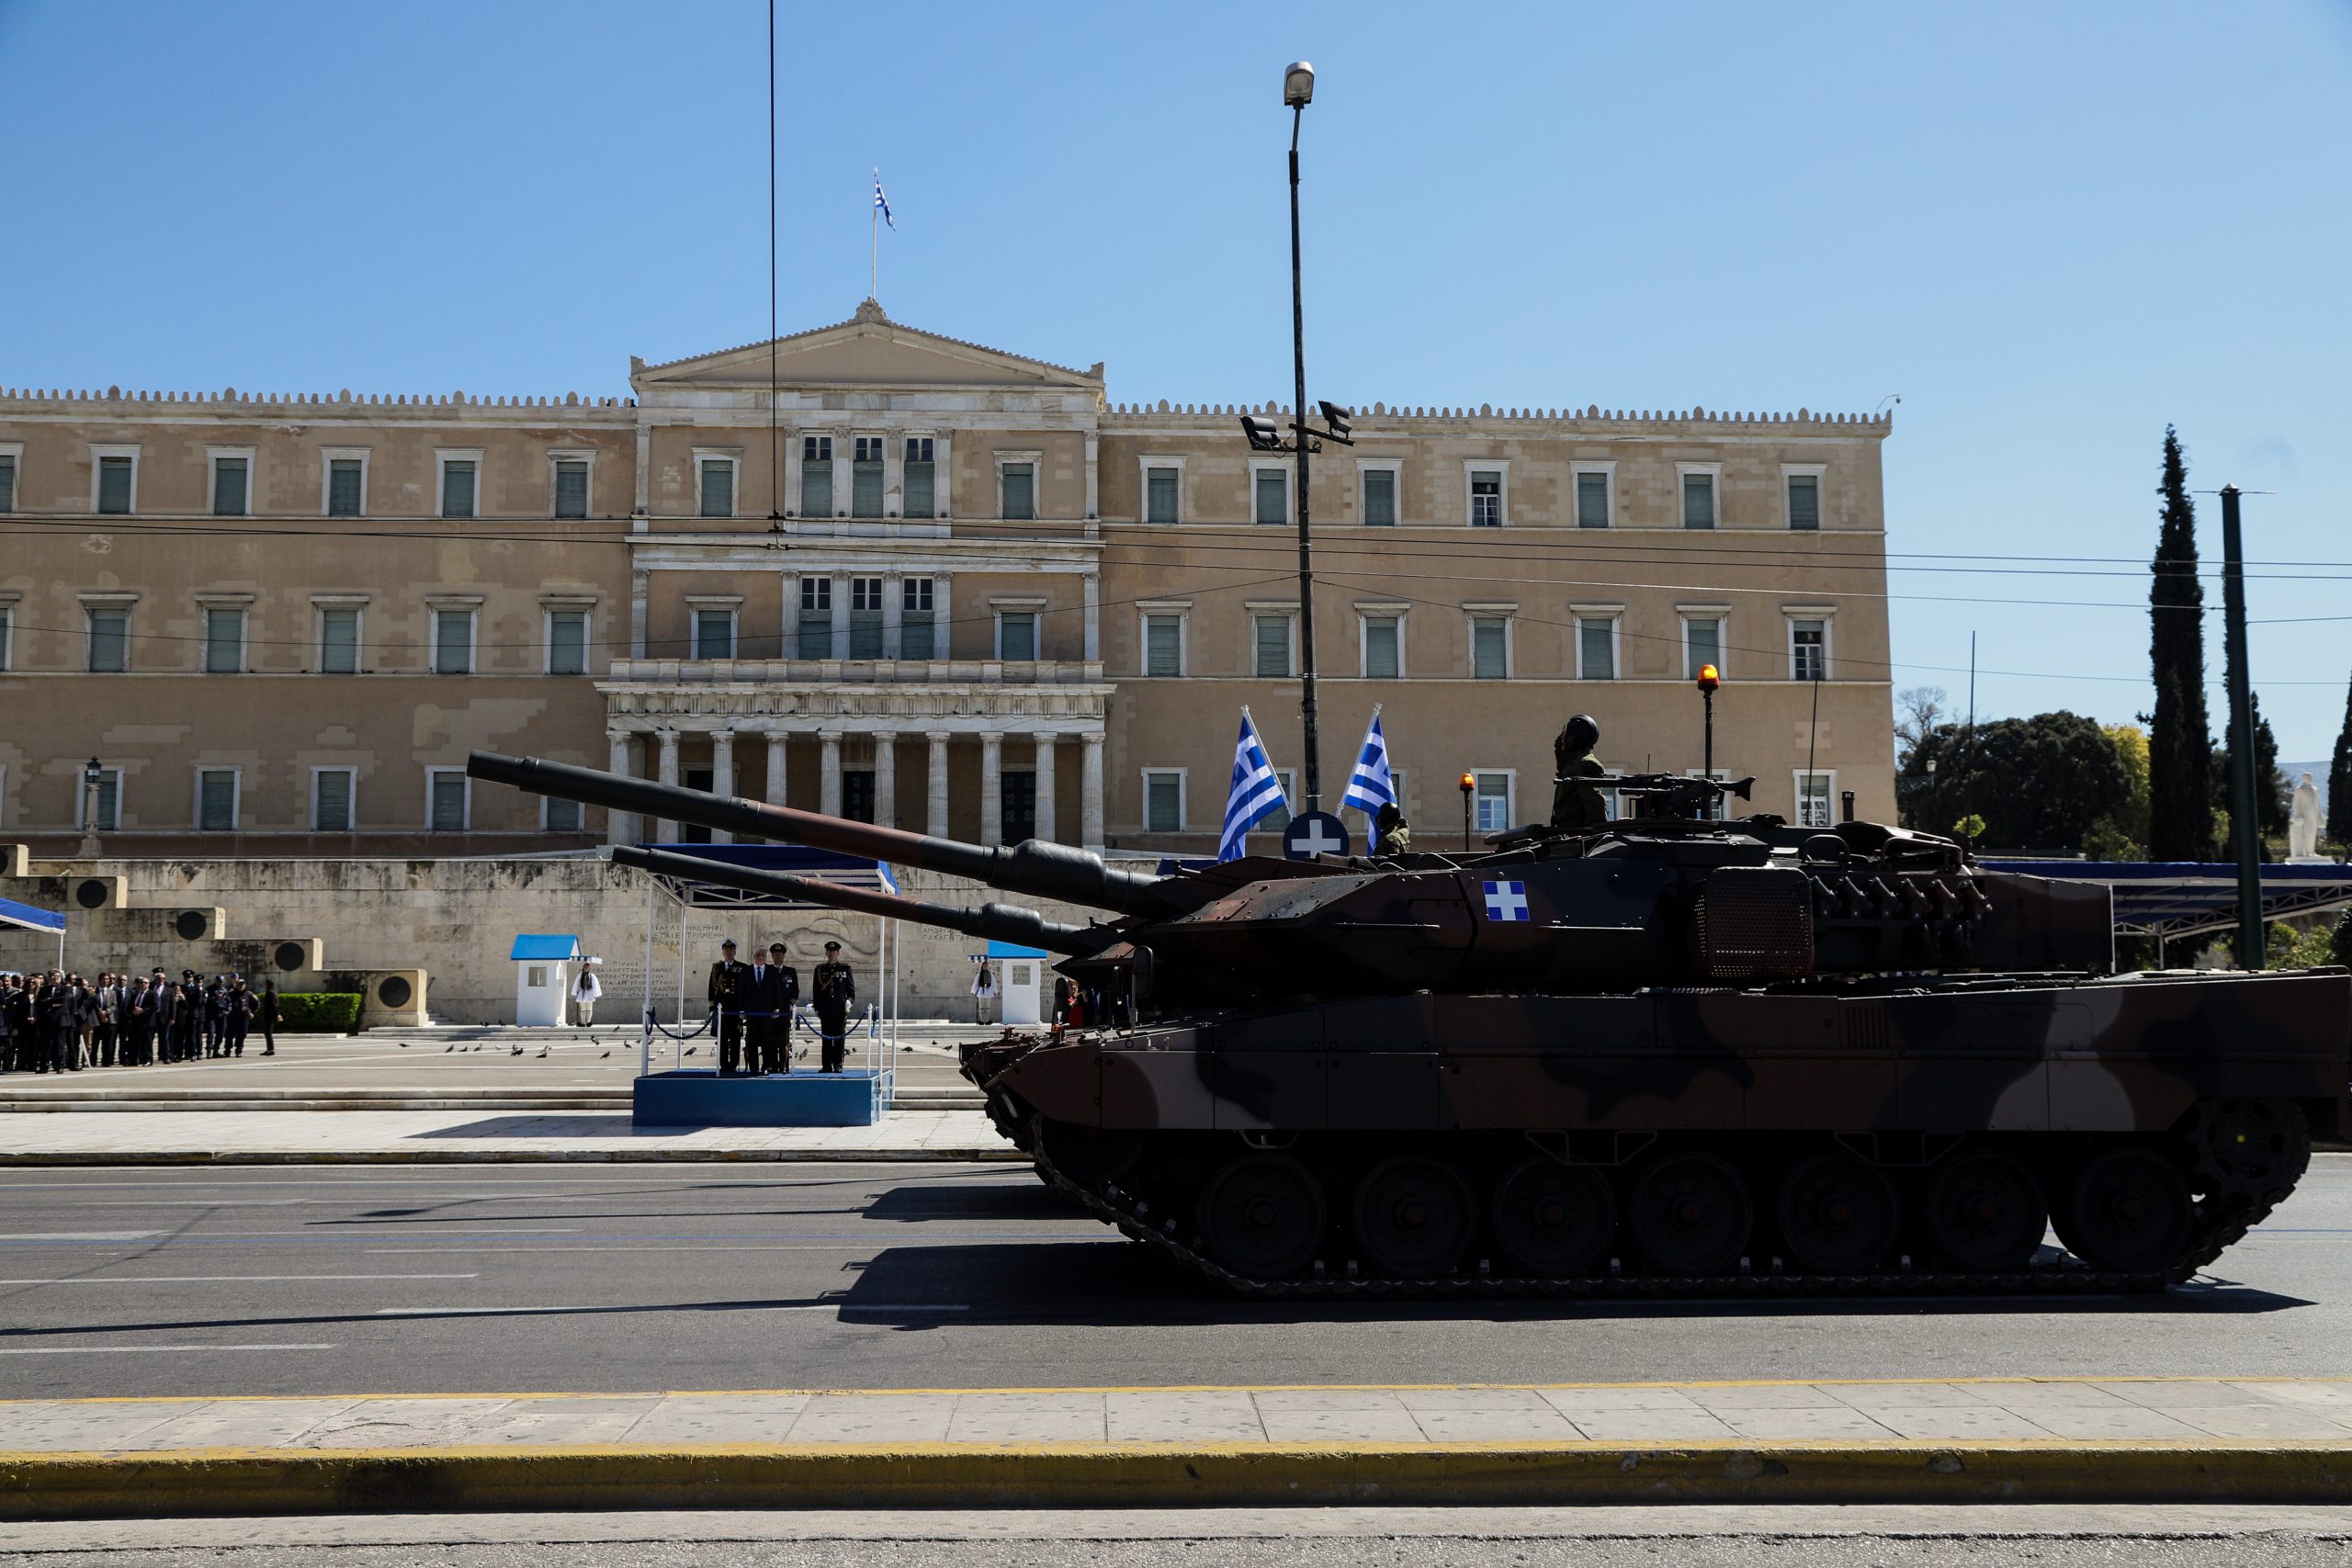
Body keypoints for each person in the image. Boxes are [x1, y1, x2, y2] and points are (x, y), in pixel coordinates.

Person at [1550, 713, 1610, 832]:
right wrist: (1560, 744)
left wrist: (1597, 834)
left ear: (1574, 739)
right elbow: (1562, 760)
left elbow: (1594, 803)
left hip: (1577, 832)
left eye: (1566, 736)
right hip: (1567, 829)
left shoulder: (1586, 764)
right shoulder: (1572, 762)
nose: (1563, 738)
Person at [750, 942, 798, 1075]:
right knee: (770, 1041)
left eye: (780, 954)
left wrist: (789, 1005)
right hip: (770, 1012)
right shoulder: (768, 970)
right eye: (775, 954)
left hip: (783, 1012)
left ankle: (783, 1066)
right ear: (772, 956)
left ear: (784, 956)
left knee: (783, 1042)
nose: (778, 956)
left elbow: (795, 992)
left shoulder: (790, 972)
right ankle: (772, 1065)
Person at [707, 938, 752, 1075]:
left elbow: (745, 990)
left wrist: (743, 1009)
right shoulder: (717, 968)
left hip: (735, 1010)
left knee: (735, 1039)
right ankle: (723, 1065)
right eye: (726, 950)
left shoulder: (742, 967)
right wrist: (712, 1008)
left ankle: (733, 1064)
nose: (728, 952)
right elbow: (711, 989)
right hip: (722, 1010)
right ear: (722, 952)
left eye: (731, 950)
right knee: (722, 1040)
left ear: (735, 952)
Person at [811, 941, 854, 1074]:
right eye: (829, 951)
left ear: (838, 953)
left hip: (840, 1009)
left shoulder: (845, 969)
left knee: (839, 1039)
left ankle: (838, 1064)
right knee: (826, 1039)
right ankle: (826, 1065)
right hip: (825, 1009)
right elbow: (816, 990)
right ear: (826, 952)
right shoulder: (819, 970)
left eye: (834, 951)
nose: (831, 953)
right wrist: (817, 1007)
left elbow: (851, 991)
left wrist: (849, 1002)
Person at [571, 959, 602, 1028]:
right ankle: (583, 1022)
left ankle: (588, 1022)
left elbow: (595, 985)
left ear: (589, 968)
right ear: (583, 968)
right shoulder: (580, 976)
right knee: (583, 1009)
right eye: (585, 967)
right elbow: (576, 984)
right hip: (582, 993)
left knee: (589, 1008)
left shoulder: (592, 976)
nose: (586, 968)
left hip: (590, 993)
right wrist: (575, 992)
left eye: (587, 967)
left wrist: (595, 994)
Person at [257, 978, 282, 1056]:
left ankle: (270, 1049)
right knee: (268, 1033)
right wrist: (277, 1014)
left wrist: (276, 1015)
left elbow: (273, 1006)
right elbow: (277, 1006)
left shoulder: (270, 994)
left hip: (269, 1016)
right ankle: (269, 1049)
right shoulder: (274, 993)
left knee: (268, 1033)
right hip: (270, 1016)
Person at [970, 960, 996, 1025]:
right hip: (981, 991)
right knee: (982, 1007)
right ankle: (982, 1020)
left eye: (987, 965)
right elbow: (976, 982)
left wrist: (994, 990)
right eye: (984, 965)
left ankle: (986, 1020)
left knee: (987, 1007)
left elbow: (993, 982)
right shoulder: (979, 974)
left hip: (988, 991)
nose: (986, 966)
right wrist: (975, 991)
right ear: (982, 966)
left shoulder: (990, 974)